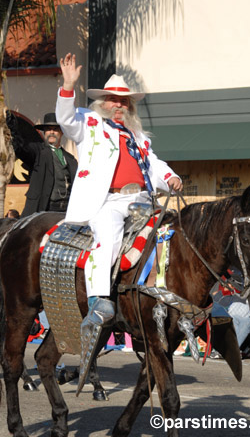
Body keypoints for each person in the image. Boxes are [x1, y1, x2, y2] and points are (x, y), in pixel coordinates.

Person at [55, 52, 183, 386]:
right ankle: (100, 302)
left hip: (141, 200)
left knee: (172, 234)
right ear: (103, 103)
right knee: (109, 232)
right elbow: (65, 118)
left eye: (123, 101)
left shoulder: (138, 137)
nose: (119, 105)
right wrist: (68, 86)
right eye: (113, 99)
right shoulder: (89, 123)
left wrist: (170, 177)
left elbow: (154, 164)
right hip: (109, 201)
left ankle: (169, 302)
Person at [6, 111, 78, 217]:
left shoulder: (70, 159)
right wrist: (13, 130)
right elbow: (21, 148)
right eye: (48, 129)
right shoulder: (38, 151)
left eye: (55, 129)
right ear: (44, 132)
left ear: (62, 132)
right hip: (43, 209)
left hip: (67, 211)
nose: (51, 132)